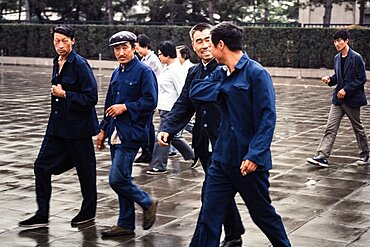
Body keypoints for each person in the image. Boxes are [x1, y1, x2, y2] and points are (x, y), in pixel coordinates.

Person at [189, 22, 291, 246]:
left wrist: (255, 155)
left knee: (263, 215)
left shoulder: (257, 74)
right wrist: (225, 86)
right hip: (221, 160)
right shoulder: (220, 72)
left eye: (211, 44)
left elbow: (267, 119)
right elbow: (195, 92)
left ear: (221, 45)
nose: (208, 49)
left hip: (248, 163)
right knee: (209, 215)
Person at [157, 23, 244, 246]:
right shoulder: (193, 72)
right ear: (193, 46)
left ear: (217, 42)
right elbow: (184, 103)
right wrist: (167, 128)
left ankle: (215, 239)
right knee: (219, 193)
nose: (205, 45)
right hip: (204, 144)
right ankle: (234, 233)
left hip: (226, 144)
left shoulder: (227, 67)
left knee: (212, 195)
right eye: (199, 41)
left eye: (208, 39)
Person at [19, 25, 99, 228]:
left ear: (73, 40)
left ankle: (88, 212)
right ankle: (42, 213)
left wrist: (65, 95)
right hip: (57, 127)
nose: (60, 45)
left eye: (64, 40)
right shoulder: (57, 61)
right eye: (56, 41)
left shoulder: (80, 64)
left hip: (78, 129)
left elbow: (91, 98)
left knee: (86, 173)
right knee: (41, 166)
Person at [96, 31, 158, 237]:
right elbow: (108, 104)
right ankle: (125, 224)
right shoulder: (117, 72)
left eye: (125, 48)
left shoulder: (143, 71)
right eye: (117, 49)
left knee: (117, 179)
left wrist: (126, 107)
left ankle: (147, 201)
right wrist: (103, 130)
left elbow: (151, 102)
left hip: (132, 133)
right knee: (123, 178)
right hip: (115, 132)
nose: (121, 52)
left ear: (134, 48)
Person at [307, 29, 369, 168]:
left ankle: (365, 154)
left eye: (339, 40)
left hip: (351, 100)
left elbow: (361, 79)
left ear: (346, 40)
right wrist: (330, 79)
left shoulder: (356, 57)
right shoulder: (337, 58)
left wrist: (346, 90)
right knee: (330, 128)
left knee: (357, 128)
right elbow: (338, 77)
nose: (337, 43)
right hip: (338, 100)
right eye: (335, 41)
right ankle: (322, 156)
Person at [146, 40, 194, 175]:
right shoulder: (168, 68)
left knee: (163, 137)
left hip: (171, 109)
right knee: (171, 137)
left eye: (161, 54)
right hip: (165, 108)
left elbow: (181, 91)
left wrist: (180, 111)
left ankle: (159, 165)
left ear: (167, 55)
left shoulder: (175, 70)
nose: (159, 57)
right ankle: (193, 155)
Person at [133, 34, 163, 163]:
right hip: (146, 96)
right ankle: (147, 151)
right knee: (147, 125)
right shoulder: (146, 59)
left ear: (145, 46)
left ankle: (148, 151)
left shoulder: (151, 60)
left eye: (137, 47)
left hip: (150, 97)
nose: (137, 50)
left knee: (147, 126)